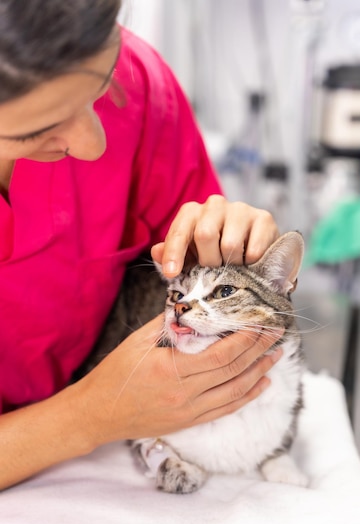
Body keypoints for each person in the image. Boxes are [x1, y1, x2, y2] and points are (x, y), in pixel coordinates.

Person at [0, 0, 281, 490]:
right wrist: (90, 415)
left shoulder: (142, 84)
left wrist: (228, 243)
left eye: (102, 82)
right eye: (36, 130)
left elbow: (195, 257)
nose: (94, 146)